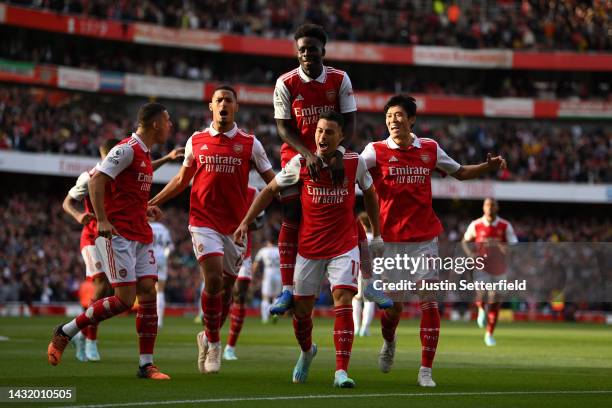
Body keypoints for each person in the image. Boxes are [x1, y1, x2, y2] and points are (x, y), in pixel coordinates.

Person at [361, 95, 507, 387]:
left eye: (399, 115)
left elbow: (461, 173)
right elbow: (351, 171)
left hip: (425, 238)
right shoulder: (374, 152)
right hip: (391, 243)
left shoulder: (429, 148)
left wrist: (486, 167)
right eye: (389, 117)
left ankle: (425, 370)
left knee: (430, 302)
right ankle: (389, 341)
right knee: (394, 310)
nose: (393, 121)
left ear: (412, 119)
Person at [234, 111, 383, 388]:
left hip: (343, 245)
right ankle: (306, 351)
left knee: (343, 300)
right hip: (309, 248)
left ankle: (341, 371)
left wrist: (379, 232)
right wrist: (245, 221)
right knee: (301, 312)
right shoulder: (300, 162)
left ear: (340, 137)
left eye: (329, 132)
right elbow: (268, 190)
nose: (322, 136)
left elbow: (371, 195)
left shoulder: (354, 162)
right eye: (319, 131)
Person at [148, 85, 275, 375]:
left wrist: (299, 199)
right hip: (203, 221)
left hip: (235, 227)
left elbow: (272, 182)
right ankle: (215, 344)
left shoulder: (250, 143)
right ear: (211, 107)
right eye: (219, 100)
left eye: (229, 100)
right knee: (214, 279)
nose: (223, 104)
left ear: (236, 107)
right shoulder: (197, 140)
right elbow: (182, 180)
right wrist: (151, 201)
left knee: (227, 295)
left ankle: (206, 335)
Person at [47, 102, 174, 380]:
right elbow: (96, 183)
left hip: (140, 232)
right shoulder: (126, 149)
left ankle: (146, 364)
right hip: (118, 236)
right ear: (155, 124)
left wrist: (145, 208)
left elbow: (125, 195)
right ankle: (66, 331)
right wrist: (102, 220)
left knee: (149, 294)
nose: (171, 126)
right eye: (168, 121)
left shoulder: (144, 154)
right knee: (124, 300)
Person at [63, 141, 184, 359]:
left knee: (113, 292)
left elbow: (145, 167)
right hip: (93, 237)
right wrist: (79, 215)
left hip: (117, 235)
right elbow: (68, 202)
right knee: (101, 287)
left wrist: (167, 158)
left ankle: (80, 332)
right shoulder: (91, 176)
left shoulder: (126, 176)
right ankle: (90, 339)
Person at [272, 23, 357, 314]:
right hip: (297, 155)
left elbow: (351, 122)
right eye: (302, 50)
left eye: (312, 49)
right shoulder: (285, 82)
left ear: (323, 51)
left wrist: (339, 155)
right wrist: (307, 153)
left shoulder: (339, 79)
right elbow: (283, 129)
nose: (306, 54)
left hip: (334, 152)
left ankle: (363, 279)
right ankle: (286, 290)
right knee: (291, 212)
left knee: (344, 209)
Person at [462, 198, 518, 346]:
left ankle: (489, 334)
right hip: (481, 266)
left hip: (499, 268)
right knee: (481, 292)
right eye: (487, 204)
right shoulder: (476, 224)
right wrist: (471, 254)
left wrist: (504, 248)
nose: (490, 207)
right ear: (483, 208)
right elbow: (464, 241)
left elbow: (514, 246)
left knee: (495, 302)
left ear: (497, 207)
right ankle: (481, 309)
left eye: (492, 205)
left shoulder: (505, 226)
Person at [223, 185, 263, 361]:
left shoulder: (253, 192)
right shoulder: (224, 184)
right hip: (222, 247)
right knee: (223, 294)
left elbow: (260, 222)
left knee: (240, 294)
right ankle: (211, 336)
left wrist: (245, 221)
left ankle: (230, 347)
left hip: (243, 251)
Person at [352, 212, 377, 337]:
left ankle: (357, 327)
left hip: (358, 271)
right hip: (374, 271)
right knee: (369, 300)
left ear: (362, 223)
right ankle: (364, 328)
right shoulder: (376, 238)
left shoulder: (357, 237)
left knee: (356, 298)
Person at [149, 220, 174, 329]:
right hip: (162, 260)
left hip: (148, 259)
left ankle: (148, 317)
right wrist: (165, 256)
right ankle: (159, 321)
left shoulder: (147, 226)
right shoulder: (163, 229)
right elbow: (170, 247)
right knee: (160, 290)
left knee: (146, 289)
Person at [254, 240, 281, 323]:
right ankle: (275, 314)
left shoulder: (263, 250)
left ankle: (265, 319)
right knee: (276, 296)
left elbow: (255, 264)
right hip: (278, 274)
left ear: (268, 242)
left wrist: (255, 275)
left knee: (265, 297)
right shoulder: (279, 250)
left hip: (268, 274)